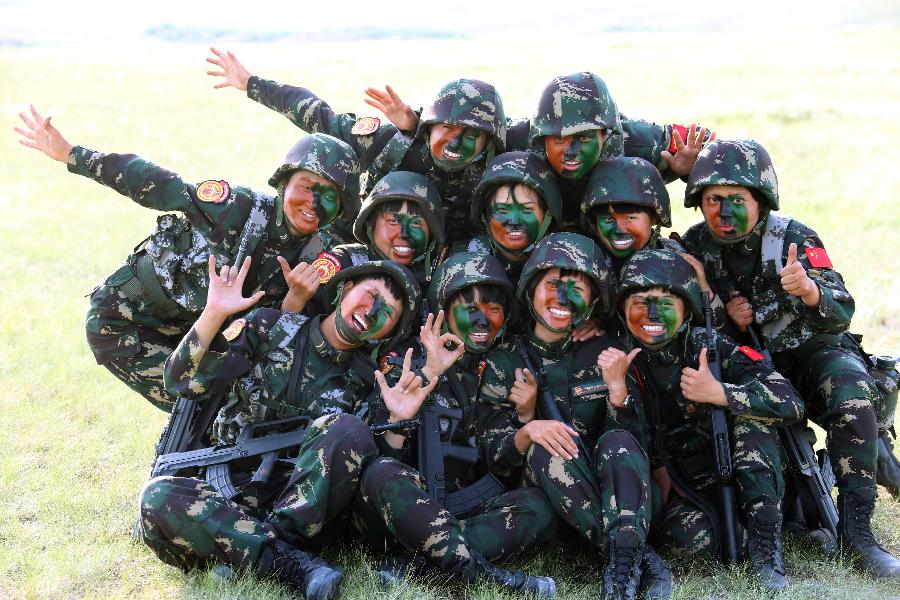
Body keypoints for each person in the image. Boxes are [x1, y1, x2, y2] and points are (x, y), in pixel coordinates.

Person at [143, 256, 555, 598]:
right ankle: (285, 562)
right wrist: (214, 312)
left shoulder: (367, 380)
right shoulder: (271, 328)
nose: (372, 312)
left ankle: (267, 557)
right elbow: (182, 382)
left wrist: (397, 419)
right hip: (230, 494)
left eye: (388, 314)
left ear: (389, 331)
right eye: (370, 295)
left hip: (310, 513)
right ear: (343, 290)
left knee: (345, 429)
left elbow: (380, 480)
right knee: (159, 496)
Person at [15, 104, 357, 410]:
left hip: (199, 326)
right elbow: (158, 183)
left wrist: (295, 301)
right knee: (197, 403)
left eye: (330, 197)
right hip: (126, 317)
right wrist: (71, 154)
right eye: (306, 187)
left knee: (223, 393)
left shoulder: (318, 257)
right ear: (283, 182)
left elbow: (276, 335)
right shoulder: (235, 209)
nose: (314, 204)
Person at [681, 139, 900, 577]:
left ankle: (857, 534)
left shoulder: (793, 238)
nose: (723, 213)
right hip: (755, 367)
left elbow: (842, 309)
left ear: (760, 200)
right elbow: (686, 323)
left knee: (851, 397)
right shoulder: (695, 246)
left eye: (735, 201)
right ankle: (778, 530)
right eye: (712, 201)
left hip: (814, 354)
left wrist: (808, 290)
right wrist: (722, 310)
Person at [476, 233, 671, 600]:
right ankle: (632, 559)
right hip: (549, 504)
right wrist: (527, 426)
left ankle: (621, 567)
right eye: (552, 284)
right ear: (531, 288)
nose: (562, 298)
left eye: (577, 288)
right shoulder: (505, 361)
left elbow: (635, 449)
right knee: (547, 443)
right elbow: (495, 459)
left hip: (624, 498)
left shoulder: (610, 352)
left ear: (594, 300)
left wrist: (617, 390)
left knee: (616, 440)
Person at [358, 252, 557, 588]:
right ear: (445, 312)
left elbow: (502, 465)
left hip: (468, 508)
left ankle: (423, 562)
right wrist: (425, 377)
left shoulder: (507, 363)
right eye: (470, 309)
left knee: (540, 505)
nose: (483, 321)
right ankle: (485, 575)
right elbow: (380, 453)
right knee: (381, 473)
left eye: (493, 309)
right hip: (401, 509)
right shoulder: (406, 357)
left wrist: (526, 420)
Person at [615, 248, 803, 591]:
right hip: (689, 489)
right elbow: (622, 438)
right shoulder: (621, 359)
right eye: (640, 301)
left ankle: (765, 550)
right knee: (691, 539)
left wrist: (721, 394)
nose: (652, 312)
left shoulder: (712, 348)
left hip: (748, 475)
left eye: (665, 301)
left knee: (752, 419)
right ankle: (777, 529)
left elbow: (790, 401)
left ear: (687, 310)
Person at [205, 47, 504, 244]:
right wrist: (250, 84)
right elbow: (317, 115)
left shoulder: (497, 169)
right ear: (429, 126)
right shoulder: (387, 143)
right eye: (446, 128)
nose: (454, 141)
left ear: (488, 142)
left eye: (470, 134)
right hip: (356, 246)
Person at [529, 72, 712, 228]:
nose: (571, 151)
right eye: (559, 139)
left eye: (584, 138)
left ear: (605, 133)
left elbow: (709, 144)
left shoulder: (641, 140)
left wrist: (691, 170)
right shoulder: (524, 140)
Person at [580, 155, 724, 331]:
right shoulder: (585, 260)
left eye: (631, 218)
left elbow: (715, 331)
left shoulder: (676, 259)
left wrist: (706, 294)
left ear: (655, 218)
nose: (619, 229)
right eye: (608, 219)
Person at [306, 170, 446, 318]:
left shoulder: (434, 283)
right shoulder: (343, 263)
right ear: (371, 225)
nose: (405, 233)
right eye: (394, 221)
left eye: (416, 224)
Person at [459, 151, 562, 283]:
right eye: (502, 210)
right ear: (486, 215)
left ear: (548, 214)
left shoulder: (566, 262)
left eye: (526, 210)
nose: (514, 221)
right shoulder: (465, 260)